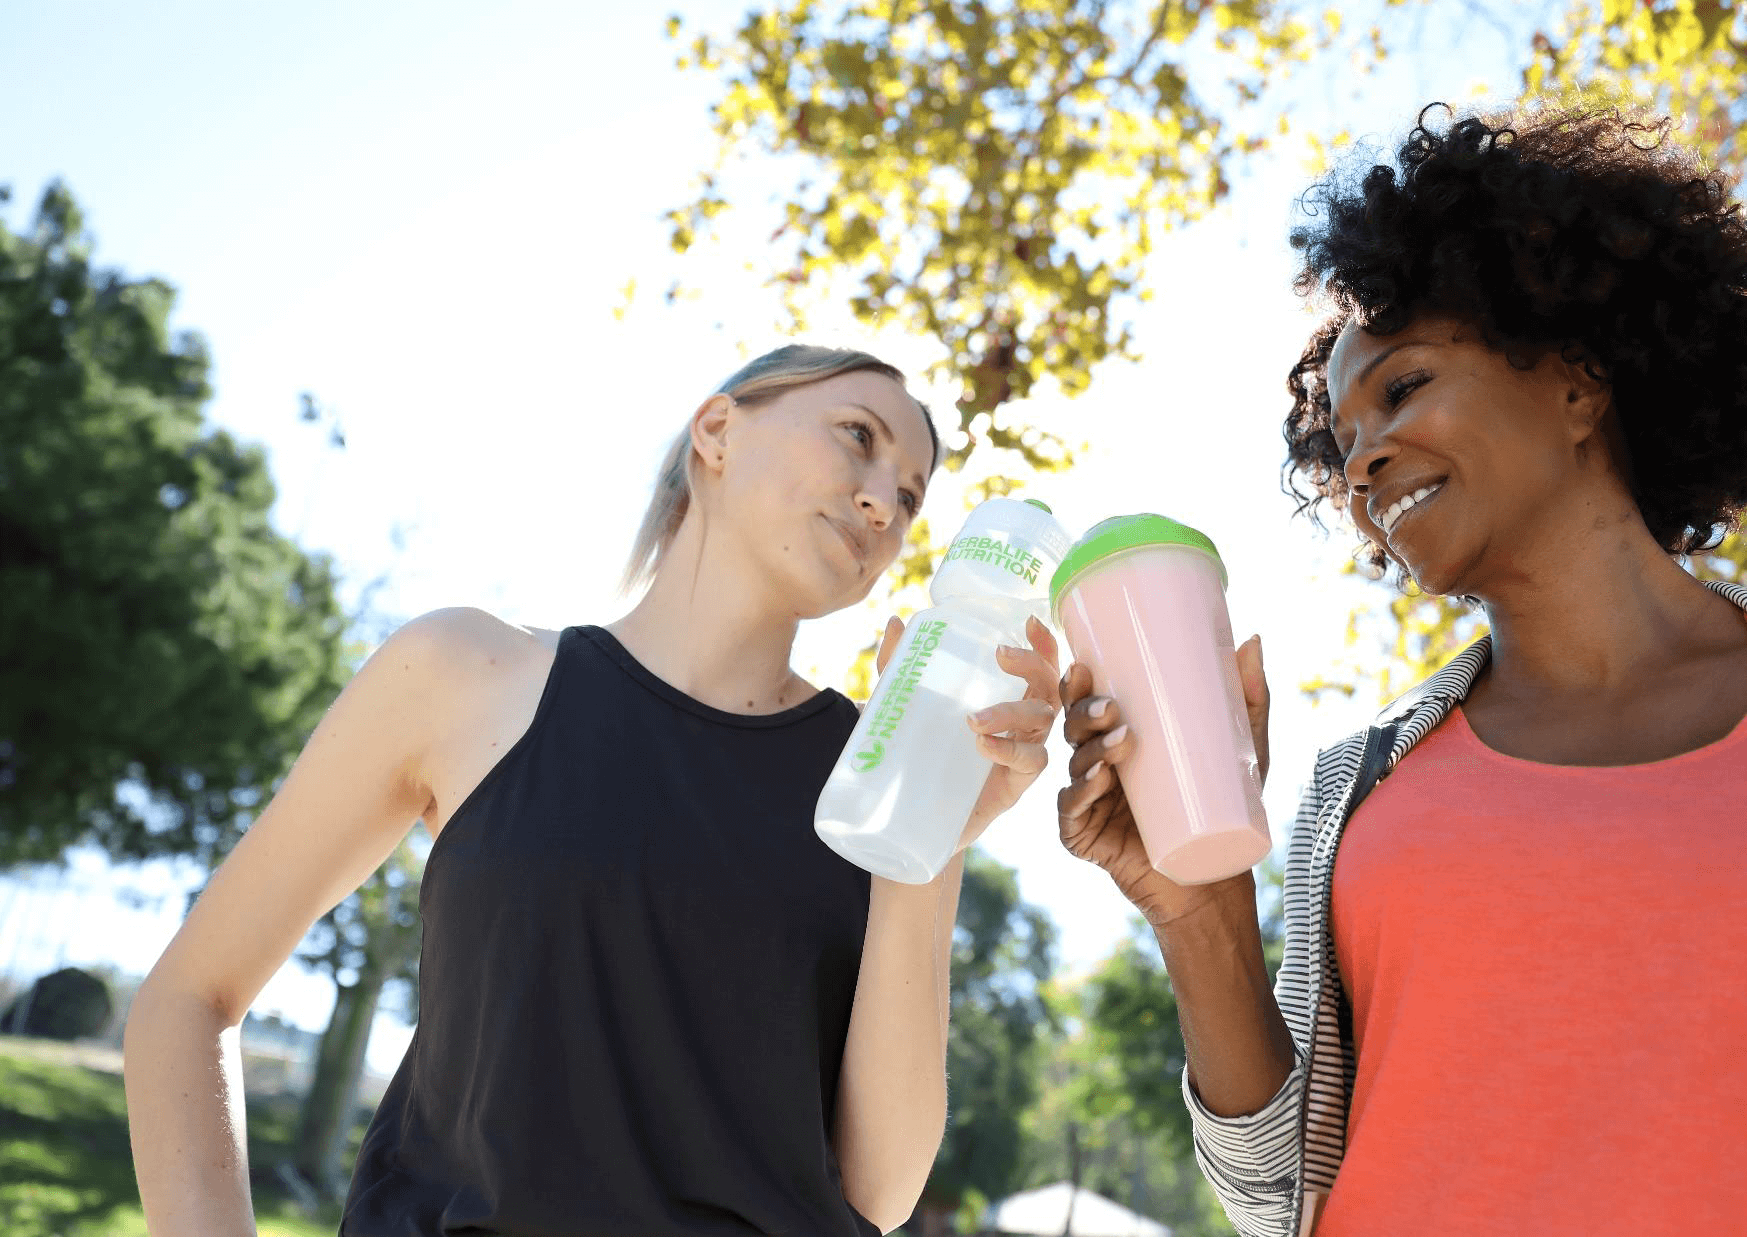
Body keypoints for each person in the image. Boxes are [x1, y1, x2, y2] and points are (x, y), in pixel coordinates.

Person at [123, 343, 1064, 1237]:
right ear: (717, 429)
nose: (881, 505)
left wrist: (932, 830)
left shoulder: (875, 776)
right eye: (858, 436)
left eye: (908, 497)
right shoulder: (464, 673)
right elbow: (189, 1000)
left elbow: (880, 1190)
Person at [1054, 103, 1747, 1236]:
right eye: (1341, 435)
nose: (1362, 456)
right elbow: (1274, 1191)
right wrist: (1197, 912)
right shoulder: (1360, 786)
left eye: (1404, 387)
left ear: (1576, 380)